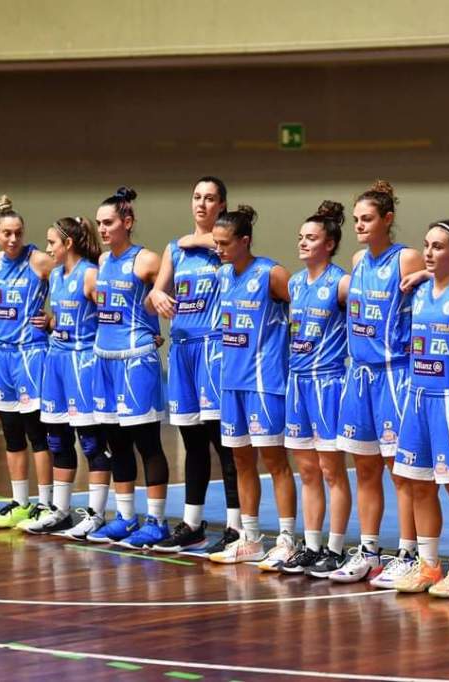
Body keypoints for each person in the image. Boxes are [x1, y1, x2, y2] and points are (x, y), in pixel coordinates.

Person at [330, 181, 425, 588]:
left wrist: (427, 273)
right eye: (356, 219)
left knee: (399, 470)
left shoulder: (406, 258)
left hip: (395, 374)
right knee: (365, 467)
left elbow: (441, 292)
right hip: (359, 374)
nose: (358, 226)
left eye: (366, 219)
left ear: (388, 219)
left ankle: (409, 552)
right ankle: (369, 551)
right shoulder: (357, 260)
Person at [147, 177, 241, 555]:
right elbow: (156, 293)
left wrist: (202, 241)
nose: (201, 204)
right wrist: (157, 296)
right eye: (197, 197)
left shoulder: (224, 248)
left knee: (224, 442)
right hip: (182, 350)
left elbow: (237, 263)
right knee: (192, 441)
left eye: (210, 198)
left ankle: (236, 527)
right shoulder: (175, 248)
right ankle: (192, 524)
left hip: (214, 348)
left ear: (222, 205)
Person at [391, 220, 449, 596]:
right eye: (426, 245)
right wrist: (424, 276)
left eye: (439, 246)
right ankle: (428, 565)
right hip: (417, 397)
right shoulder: (419, 291)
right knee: (418, 484)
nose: (428, 253)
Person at [207, 205, 296, 565]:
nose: (218, 249)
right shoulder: (223, 276)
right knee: (241, 460)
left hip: (265, 383)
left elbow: (304, 308)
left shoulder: (272, 274)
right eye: (215, 243)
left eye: (224, 243)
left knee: (275, 461)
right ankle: (251, 538)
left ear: (245, 241)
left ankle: (287, 540)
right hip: (232, 383)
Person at [84, 187, 173, 549]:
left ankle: (157, 521)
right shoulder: (103, 261)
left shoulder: (147, 260)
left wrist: (155, 322)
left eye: (109, 223)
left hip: (136, 361)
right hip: (104, 360)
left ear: (128, 222)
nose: (102, 229)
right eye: (99, 223)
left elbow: (169, 292)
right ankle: (125, 517)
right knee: (116, 443)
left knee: (147, 443)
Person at [278, 201, 354, 577]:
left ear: (330, 244)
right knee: (306, 469)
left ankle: (335, 549)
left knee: (330, 469)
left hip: (329, 382)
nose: (303, 242)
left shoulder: (341, 283)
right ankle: (310, 546)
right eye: (301, 237)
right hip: (298, 381)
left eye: (311, 237)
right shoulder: (294, 283)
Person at [22, 216, 110, 535]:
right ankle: (60, 510)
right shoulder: (57, 275)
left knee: (91, 442)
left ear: (68, 243)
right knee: (57, 439)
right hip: (55, 362)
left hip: (82, 362)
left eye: (52, 243)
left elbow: (112, 316)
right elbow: (65, 317)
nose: (48, 249)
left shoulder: (90, 274)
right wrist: (50, 323)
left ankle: (96, 514)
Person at [0, 195, 56, 530]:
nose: (13, 239)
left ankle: (46, 503)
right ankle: (20, 502)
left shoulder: (38, 260)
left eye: (18, 233)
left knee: (36, 434)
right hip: (2, 356)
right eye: (7, 233)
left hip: (31, 354)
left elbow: (73, 280)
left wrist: (53, 318)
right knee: (11, 435)